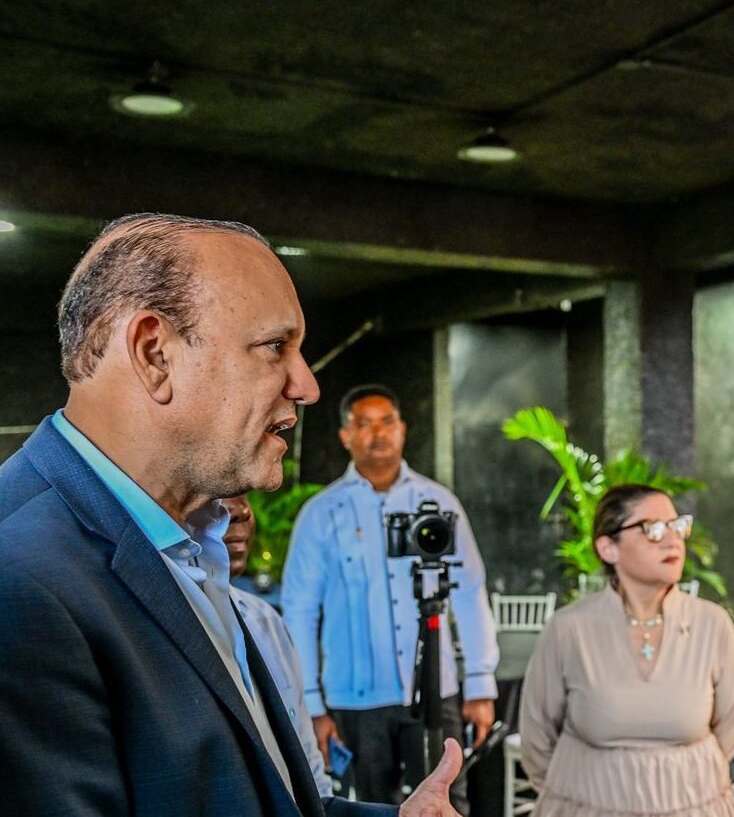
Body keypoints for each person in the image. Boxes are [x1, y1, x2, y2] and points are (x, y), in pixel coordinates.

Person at [0, 213, 462, 816]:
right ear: (155, 354)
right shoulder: (18, 576)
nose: (307, 386)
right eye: (275, 347)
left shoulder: (190, 543)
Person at [282, 384, 499, 811]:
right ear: (345, 435)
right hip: (354, 699)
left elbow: (471, 592)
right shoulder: (322, 513)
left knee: (444, 804)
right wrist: (312, 705)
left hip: (436, 692)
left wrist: (480, 684)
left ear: (402, 429)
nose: (378, 433)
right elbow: (299, 611)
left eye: (387, 422)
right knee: (369, 808)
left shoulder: (438, 502)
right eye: (364, 424)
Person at [520, 484, 734, 817]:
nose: (673, 540)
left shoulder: (712, 624)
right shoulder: (569, 629)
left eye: (677, 526)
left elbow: (732, 724)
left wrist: (681, 782)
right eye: (652, 529)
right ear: (608, 548)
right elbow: (537, 737)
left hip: (694, 805)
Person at [224, 493, 335, 799]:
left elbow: (309, 767)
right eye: (218, 495)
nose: (240, 511)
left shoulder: (266, 621)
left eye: (243, 495)